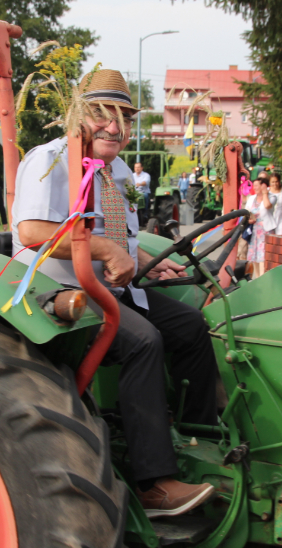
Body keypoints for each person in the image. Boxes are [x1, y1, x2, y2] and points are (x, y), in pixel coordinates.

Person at [12, 69, 219, 518]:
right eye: (103, 114)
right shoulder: (49, 160)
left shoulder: (117, 171)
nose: (115, 127)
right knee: (144, 342)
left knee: (191, 326)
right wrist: (106, 249)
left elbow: (118, 234)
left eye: (124, 117)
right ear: (79, 116)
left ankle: (202, 438)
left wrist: (145, 258)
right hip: (59, 292)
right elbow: (31, 231)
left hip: (106, 286)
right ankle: (155, 483)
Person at [245, 178, 277, 277]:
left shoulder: (272, 197)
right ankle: (257, 277)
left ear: (263, 186)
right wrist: (249, 220)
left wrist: (265, 193)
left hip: (265, 230)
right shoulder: (251, 198)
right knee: (254, 256)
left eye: (257, 185)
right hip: (254, 230)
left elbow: (267, 206)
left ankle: (263, 277)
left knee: (263, 255)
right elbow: (246, 212)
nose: (255, 188)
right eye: (254, 185)